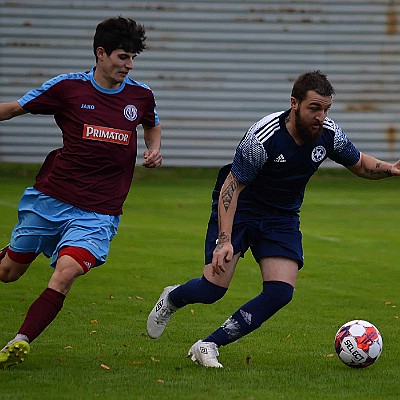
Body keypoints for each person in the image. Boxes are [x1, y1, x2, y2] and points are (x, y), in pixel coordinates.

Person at [147, 70, 400, 368]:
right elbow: (232, 186)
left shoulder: (328, 133)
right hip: (241, 210)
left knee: (280, 292)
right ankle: (173, 297)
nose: (321, 116)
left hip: (281, 217)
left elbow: (358, 163)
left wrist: (390, 168)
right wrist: (225, 241)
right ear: (294, 104)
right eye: (314, 108)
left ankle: (209, 344)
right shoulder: (263, 137)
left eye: (326, 109)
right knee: (212, 289)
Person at [0, 16, 162, 369]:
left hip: (99, 211)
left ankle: (20, 340)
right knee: (9, 272)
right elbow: (12, 109)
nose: (129, 65)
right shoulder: (68, 87)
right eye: (122, 57)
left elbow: (151, 123)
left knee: (67, 272)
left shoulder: (141, 95)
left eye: (133, 58)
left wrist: (154, 148)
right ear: (101, 54)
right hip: (51, 200)